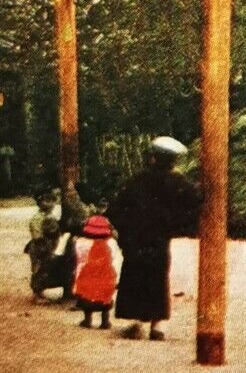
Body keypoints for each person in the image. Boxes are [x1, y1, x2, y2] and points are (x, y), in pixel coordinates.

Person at [103, 136, 201, 341]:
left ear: (153, 158)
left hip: (136, 237)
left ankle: (137, 322)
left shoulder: (137, 180)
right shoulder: (179, 182)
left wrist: (123, 232)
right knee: (158, 277)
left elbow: (116, 208)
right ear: (173, 161)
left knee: (134, 276)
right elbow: (195, 203)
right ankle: (157, 327)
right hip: (159, 238)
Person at [72, 213, 122, 330]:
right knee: (105, 301)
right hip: (106, 276)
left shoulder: (81, 242)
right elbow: (116, 259)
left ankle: (87, 319)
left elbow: (80, 259)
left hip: (87, 275)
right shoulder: (111, 243)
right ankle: (105, 321)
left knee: (86, 298)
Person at [24, 188, 65, 300]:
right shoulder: (38, 218)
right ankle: (37, 293)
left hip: (47, 245)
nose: (50, 204)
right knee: (39, 269)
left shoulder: (49, 216)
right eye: (46, 201)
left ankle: (39, 291)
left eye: (52, 201)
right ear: (39, 203)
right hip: (40, 246)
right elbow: (38, 235)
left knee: (44, 268)